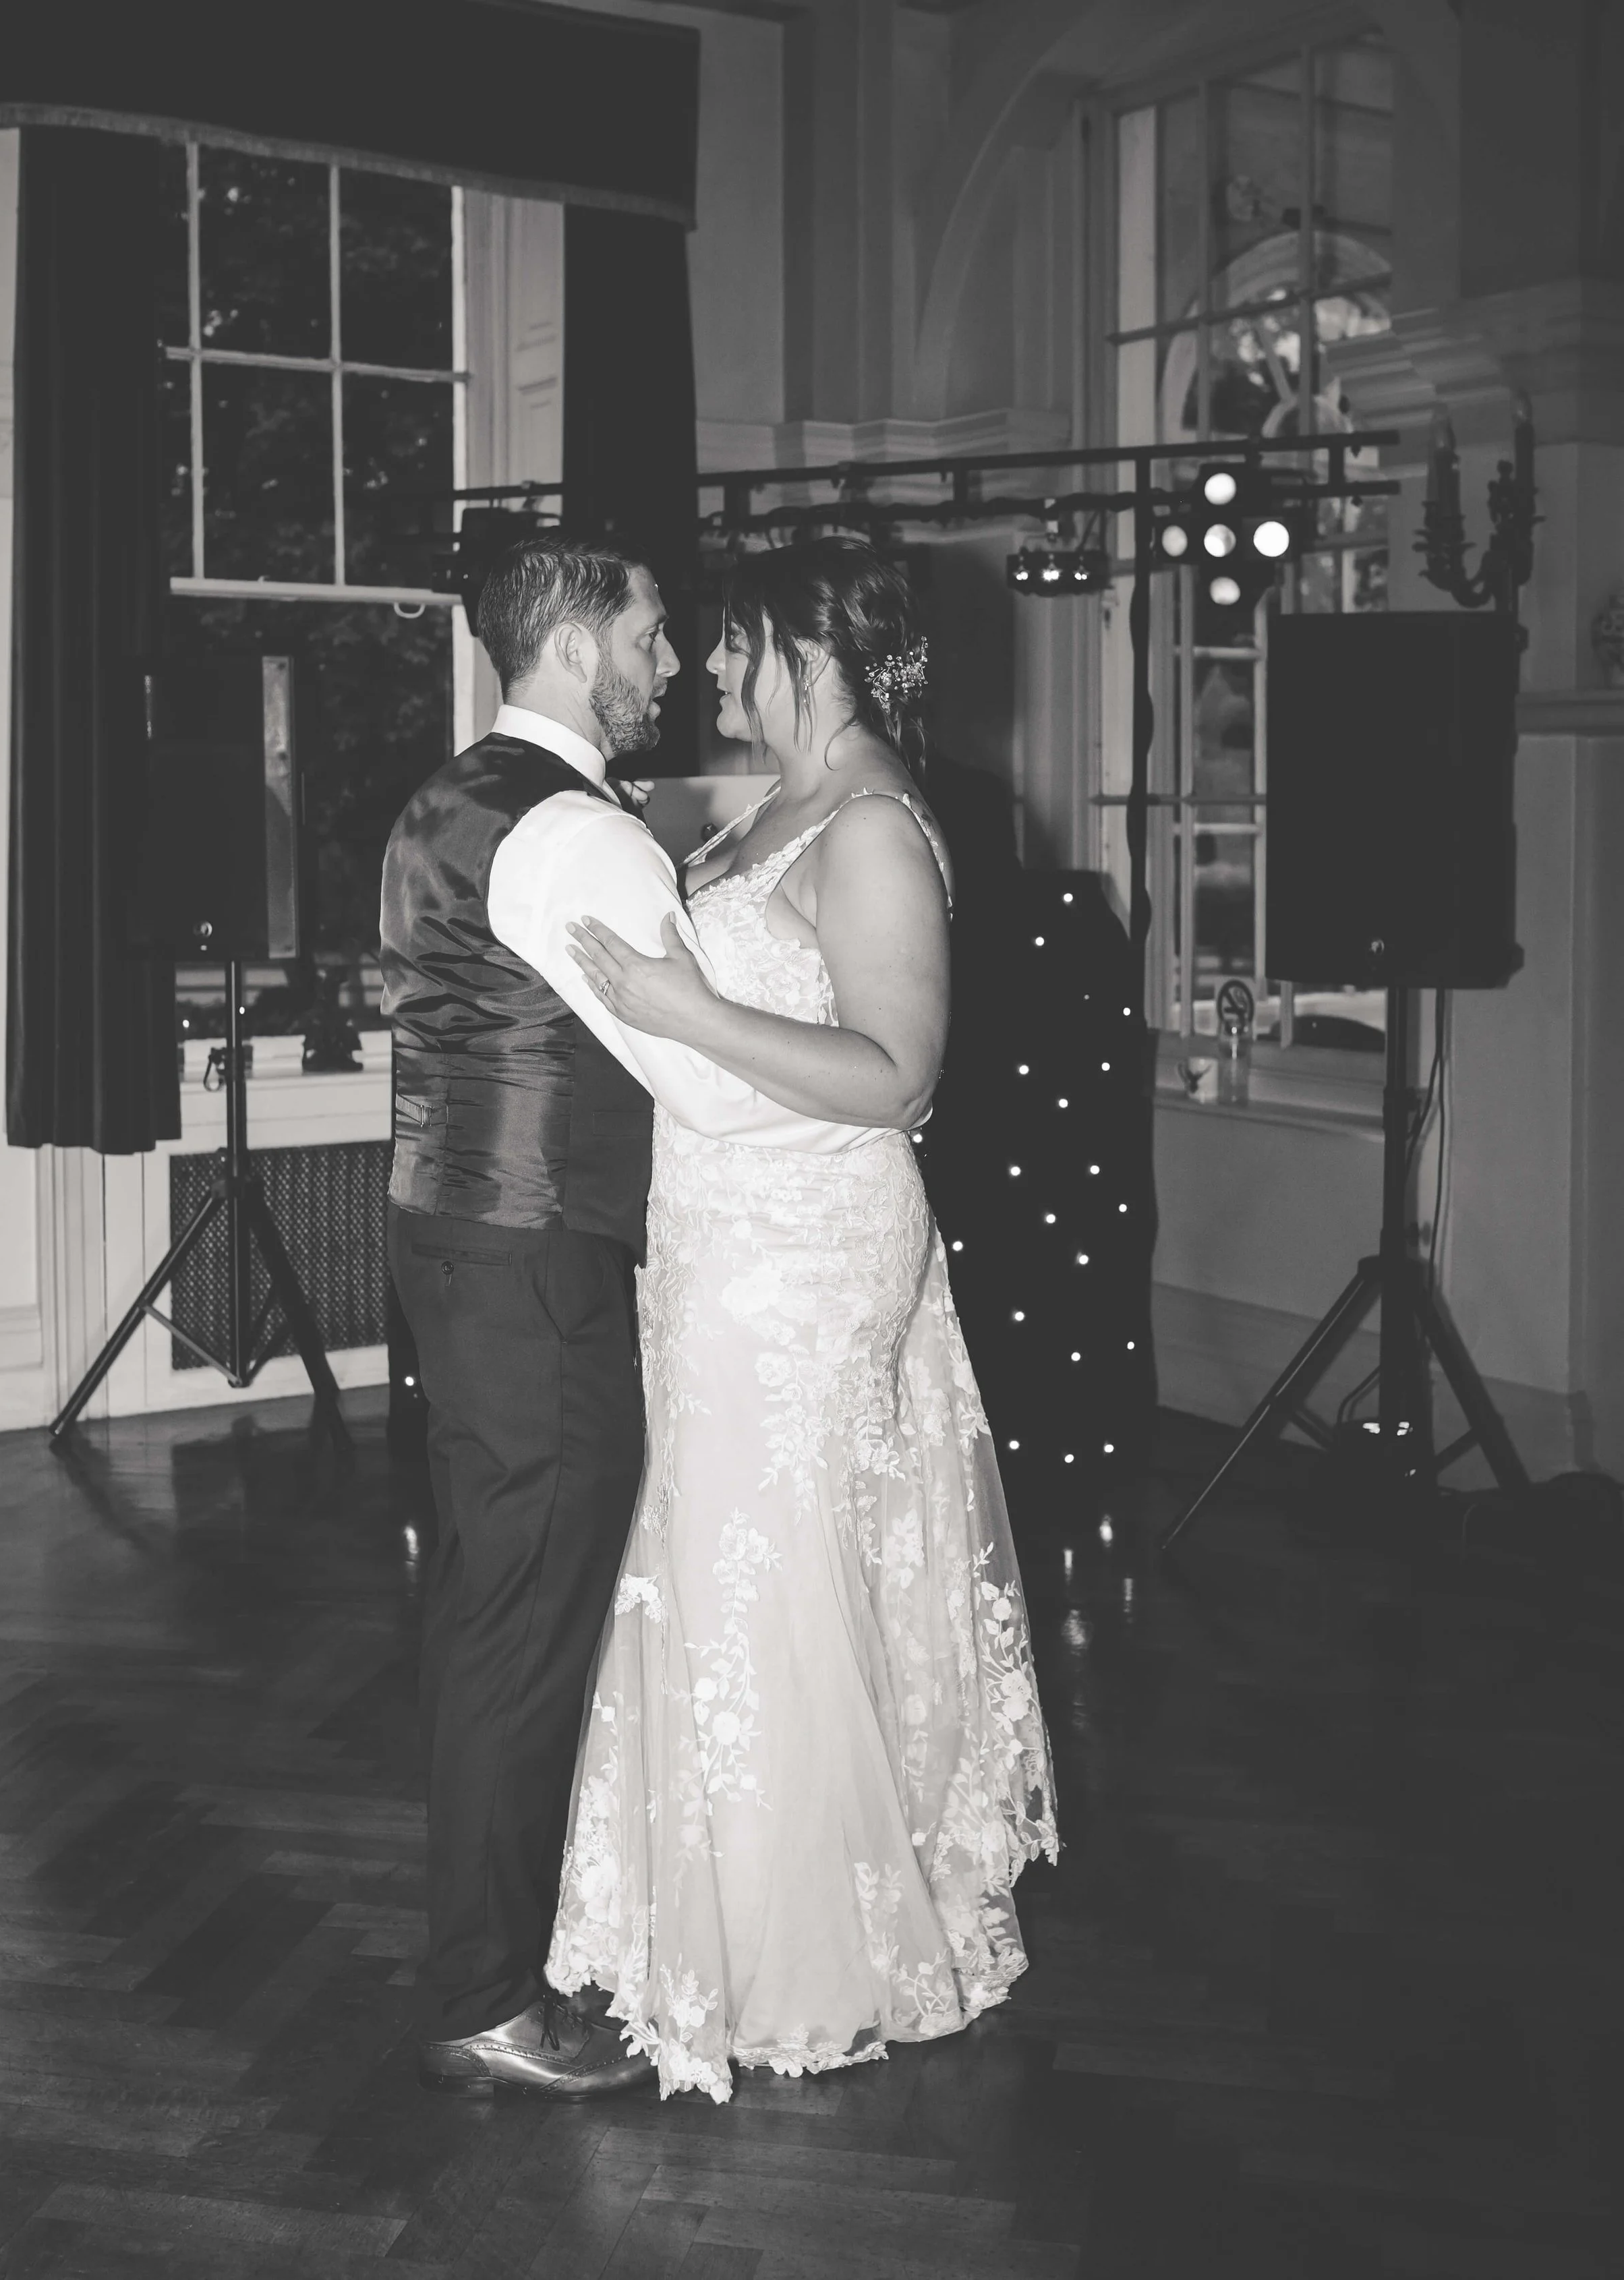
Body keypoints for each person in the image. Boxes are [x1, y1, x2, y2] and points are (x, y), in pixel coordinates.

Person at [546, 537, 1057, 2103]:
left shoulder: (879, 824)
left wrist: (685, 1007)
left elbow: (898, 1077)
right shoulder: (769, 807)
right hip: (715, 1239)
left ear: (808, 650)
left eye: (730, 646)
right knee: (713, 1559)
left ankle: (795, 1964)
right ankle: (701, 1931)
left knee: (760, 1565)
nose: (703, 672)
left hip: (809, 1251)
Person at [381, 536, 876, 2101]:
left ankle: (478, 1959)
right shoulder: (583, 839)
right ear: (580, 643)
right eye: (653, 633)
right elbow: (709, 1081)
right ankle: (483, 1992)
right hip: (534, 1265)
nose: (673, 665)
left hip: (456, 1237)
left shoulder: (445, 799)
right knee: (524, 1622)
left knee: (487, 1602)